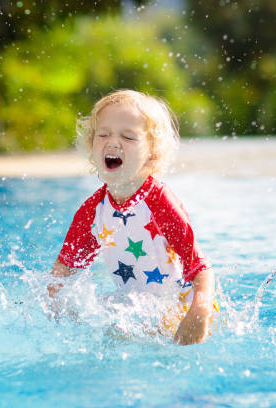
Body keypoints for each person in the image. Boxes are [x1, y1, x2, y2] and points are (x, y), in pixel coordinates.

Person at [47, 89, 216, 345]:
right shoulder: (93, 211)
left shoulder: (160, 202)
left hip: (181, 307)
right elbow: (64, 270)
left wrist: (201, 311)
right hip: (134, 310)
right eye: (103, 134)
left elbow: (200, 268)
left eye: (128, 137)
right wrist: (57, 309)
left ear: (153, 154)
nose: (113, 143)